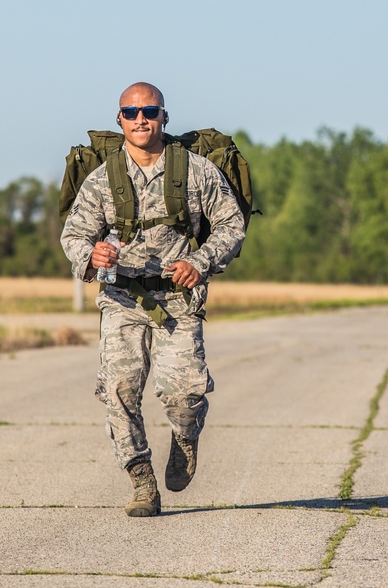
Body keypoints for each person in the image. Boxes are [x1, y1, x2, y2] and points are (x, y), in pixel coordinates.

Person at [60, 82, 245, 517]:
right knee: (120, 391)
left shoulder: (196, 171)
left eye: (149, 111)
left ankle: (185, 438)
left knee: (184, 394)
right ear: (119, 119)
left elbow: (230, 224)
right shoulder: (103, 178)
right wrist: (91, 255)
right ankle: (141, 479)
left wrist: (200, 261)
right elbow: (73, 235)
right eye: (131, 111)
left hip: (179, 300)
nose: (140, 119)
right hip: (122, 298)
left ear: (164, 116)